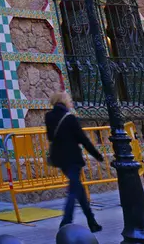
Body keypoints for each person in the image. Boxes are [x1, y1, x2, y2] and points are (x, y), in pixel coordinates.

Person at [45, 92, 105, 232]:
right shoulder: (70, 118)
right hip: (73, 159)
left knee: (79, 190)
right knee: (73, 190)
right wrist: (98, 155)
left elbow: (50, 136)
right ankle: (66, 222)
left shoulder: (49, 117)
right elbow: (83, 139)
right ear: (65, 101)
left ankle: (92, 221)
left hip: (60, 159)